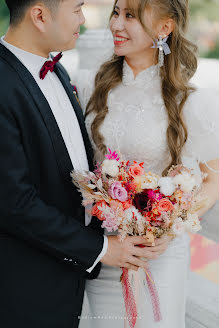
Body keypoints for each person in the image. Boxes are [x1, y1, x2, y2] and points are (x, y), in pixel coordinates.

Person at [0, 1, 154, 327]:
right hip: (23, 288)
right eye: (76, 8)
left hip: (66, 281)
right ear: (40, 15)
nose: (83, 19)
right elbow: (12, 202)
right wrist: (99, 248)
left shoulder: (58, 71)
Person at [76, 0, 219, 327]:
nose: (116, 25)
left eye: (130, 16)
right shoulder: (94, 87)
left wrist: (171, 223)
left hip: (158, 254)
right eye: (115, 13)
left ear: (164, 27)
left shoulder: (191, 102)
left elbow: (214, 180)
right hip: (105, 249)